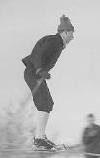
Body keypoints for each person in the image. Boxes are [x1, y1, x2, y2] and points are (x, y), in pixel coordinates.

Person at [22, 15, 74, 150]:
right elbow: (39, 54)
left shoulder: (56, 42)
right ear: (65, 32)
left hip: (35, 74)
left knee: (47, 103)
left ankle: (40, 138)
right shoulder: (55, 42)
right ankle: (39, 140)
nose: (73, 38)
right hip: (34, 73)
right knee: (45, 103)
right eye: (71, 34)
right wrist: (39, 70)